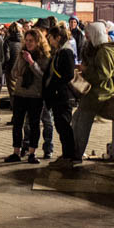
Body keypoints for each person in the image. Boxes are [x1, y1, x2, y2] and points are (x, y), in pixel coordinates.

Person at [70, 20, 114, 166]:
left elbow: (104, 74)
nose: (86, 37)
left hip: (99, 93)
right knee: (77, 119)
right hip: (93, 92)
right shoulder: (97, 49)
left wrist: (86, 71)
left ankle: (77, 154)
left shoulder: (104, 51)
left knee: (83, 123)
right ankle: (74, 151)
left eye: (88, 34)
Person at [5, 27, 48, 164]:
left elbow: (43, 76)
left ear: (38, 42)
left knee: (34, 124)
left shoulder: (44, 56)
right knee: (17, 123)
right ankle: (16, 152)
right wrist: (16, 72)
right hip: (20, 93)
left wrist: (31, 62)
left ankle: (32, 153)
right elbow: (14, 72)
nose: (28, 43)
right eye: (27, 40)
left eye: (32, 41)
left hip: (35, 95)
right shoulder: (21, 54)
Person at [41, 23, 79, 162]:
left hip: (62, 95)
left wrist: (55, 87)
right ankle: (67, 153)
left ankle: (70, 154)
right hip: (58, 95)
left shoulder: (66, 52)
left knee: (63, 125)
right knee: (60, 125)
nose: (49, 40)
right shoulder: (59, 51)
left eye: (50, 37)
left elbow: (68, 74)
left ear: (57, 38)